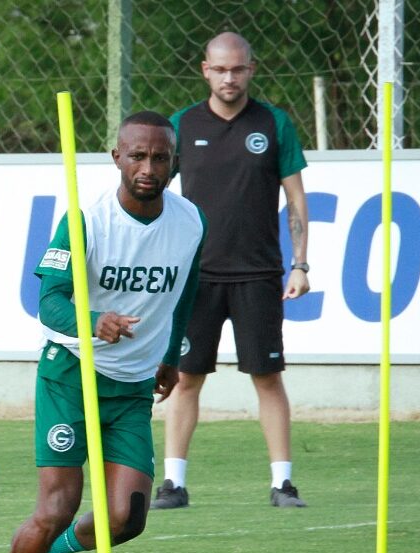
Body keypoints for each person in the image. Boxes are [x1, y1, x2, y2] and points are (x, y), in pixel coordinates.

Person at [0, 111, 205, 553]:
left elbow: (186, 290)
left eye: (160, 158)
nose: (148, 168)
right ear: (116, 157)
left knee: (128, 518)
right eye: (137, 156)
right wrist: (94, 321)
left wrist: (171, 354)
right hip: (71, 375)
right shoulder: (87, 219)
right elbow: (48, 301)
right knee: (57, 506)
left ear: (174, 162)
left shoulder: (191, 221)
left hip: (132, 386)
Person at [155, 31, 311, 510]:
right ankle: (173, 483)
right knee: (185, 378)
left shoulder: (274, 123)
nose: (229, 77)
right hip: (196, 278)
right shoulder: (182, 124)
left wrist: (300, 264)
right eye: (220, 69)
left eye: (238, 69)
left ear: (251, 69)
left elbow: (295, 199)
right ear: (205, 70)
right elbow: (153, 191)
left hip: (258, 275)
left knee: (267, 376)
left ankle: (283, 483)